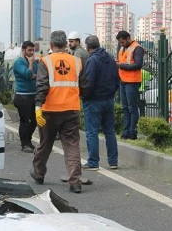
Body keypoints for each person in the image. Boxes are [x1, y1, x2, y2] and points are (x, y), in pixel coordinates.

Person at [29, 30, 87, 193]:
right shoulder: (77, 62)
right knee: (72, 146)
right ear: (66, 44)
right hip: (71, 109)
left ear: (52, 44)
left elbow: (42, 86)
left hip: (50, 110)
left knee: (45, 143)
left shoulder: (45, 61)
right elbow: (84, 86)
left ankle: (39, 174)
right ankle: (75, 182)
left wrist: (38, 107)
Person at [81, 35, 119, 170]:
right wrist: (111, 93)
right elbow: (117, 79)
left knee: (92, 132)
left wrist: (85, 96)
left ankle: (93, 162)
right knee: (110, 131)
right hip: (109, 100)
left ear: (87, 46)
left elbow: (89, 83)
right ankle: (113, 161)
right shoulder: (110, 58)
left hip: (94, 101)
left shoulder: (92, 60)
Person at [115, 30, 144, 140]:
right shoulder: (123, 48)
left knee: (132, 108)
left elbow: (138, 65)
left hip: (132, 82)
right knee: (125, 108)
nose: (121, 44)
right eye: (119, 43)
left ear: (128, 38)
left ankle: (132, 132)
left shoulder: (137, 48)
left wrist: (120, 65)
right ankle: (126, 131)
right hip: (123, 81)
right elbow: (122, 62)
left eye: (122, 42)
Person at [13, 41, 38, 152]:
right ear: (23, 50)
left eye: (33, 50)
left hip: (33, 96)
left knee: (35, 121)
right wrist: (31, 65)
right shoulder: (19, 62)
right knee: (25, 122)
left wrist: (32, 73)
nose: (32, 52)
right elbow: (28, 74)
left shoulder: (34, 63)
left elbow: (38, 74)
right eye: (29, 50)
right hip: (23, 96)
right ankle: (24, 144)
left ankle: (28, 140)